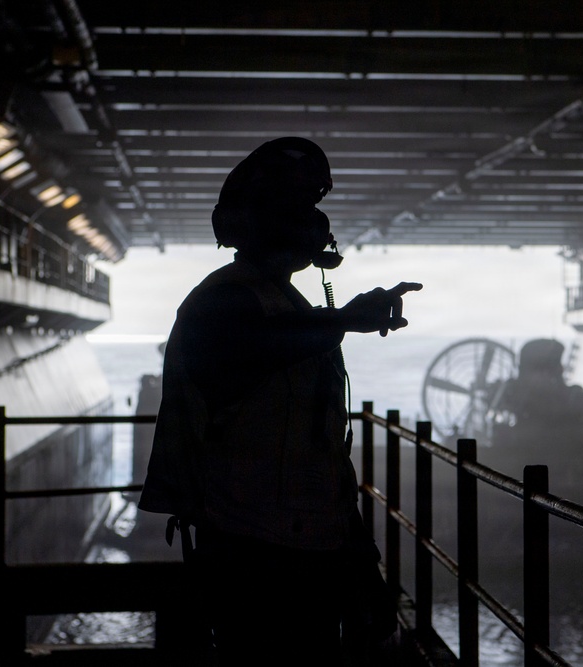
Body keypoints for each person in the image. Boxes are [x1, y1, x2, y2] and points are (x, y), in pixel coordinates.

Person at [137, 136, 422, 665]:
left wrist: (360, 561)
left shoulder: (285, 303)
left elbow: (322, 450)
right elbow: (257, 349)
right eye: (300, 209)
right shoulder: (222, 300)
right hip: (250, 553)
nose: (314, 222)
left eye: (312, 208)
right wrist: (342, 320)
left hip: (304, 548)